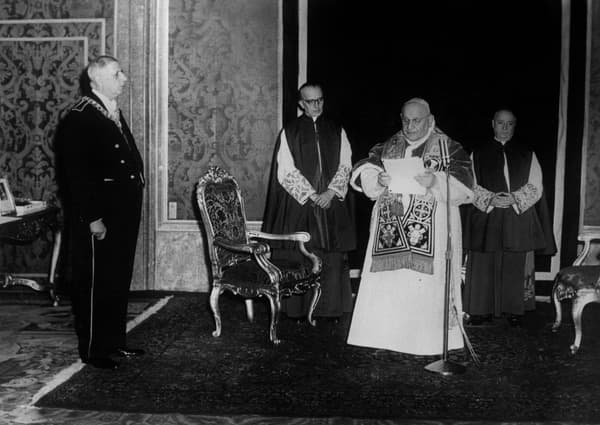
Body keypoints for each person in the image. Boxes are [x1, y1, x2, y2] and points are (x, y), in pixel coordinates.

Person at [347, 98, 473, 355]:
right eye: (405, 119)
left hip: (431, 229)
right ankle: (386, 338)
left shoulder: (449, 148)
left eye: (416, 120)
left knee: (422, 286)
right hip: (391, 225)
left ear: (430, 120)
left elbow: (467, 187)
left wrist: (435, 180)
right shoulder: (391, 144)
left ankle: (424, 343)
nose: (410, 125)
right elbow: (365, 167)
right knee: (391, 284)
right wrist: (378, 178)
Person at [55, 56, 145, 369]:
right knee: (94, 284)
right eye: (117, 73)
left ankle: (114, 342)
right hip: (99, 217)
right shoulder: (80, 117)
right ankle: (94, 350)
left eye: (121, 71)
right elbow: (76, 177)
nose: (123, 77)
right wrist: (92, 218)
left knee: (116, 280)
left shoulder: (108, 111)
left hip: (121, 213)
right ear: (97, 81)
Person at [262, 82, 356, 321]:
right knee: (302, 253)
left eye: (320, 100)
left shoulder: (337, 130)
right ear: (301, 103)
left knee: (332, 255)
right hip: (301, 204)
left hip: (331, 203)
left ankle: (330, 308)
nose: (317, 105)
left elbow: (346, 164)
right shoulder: (290, 131)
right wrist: (313, 195)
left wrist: (331, 193)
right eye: (311, 101)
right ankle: (298, 309)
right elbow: (285, 170)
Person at [462, 109, 556, 326]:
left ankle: (513, 309)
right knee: (484, 262)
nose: (505, 128)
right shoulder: (478, 152)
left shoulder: (527, 153)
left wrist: (514, 198)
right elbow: (469, 184)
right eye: (501, 123)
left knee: (514, 264)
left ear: (515, 125)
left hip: (517, 216)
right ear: (493, 124)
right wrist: (490, 199)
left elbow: (535, 184)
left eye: (510, 124)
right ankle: (479, 310)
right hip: (487, 216)